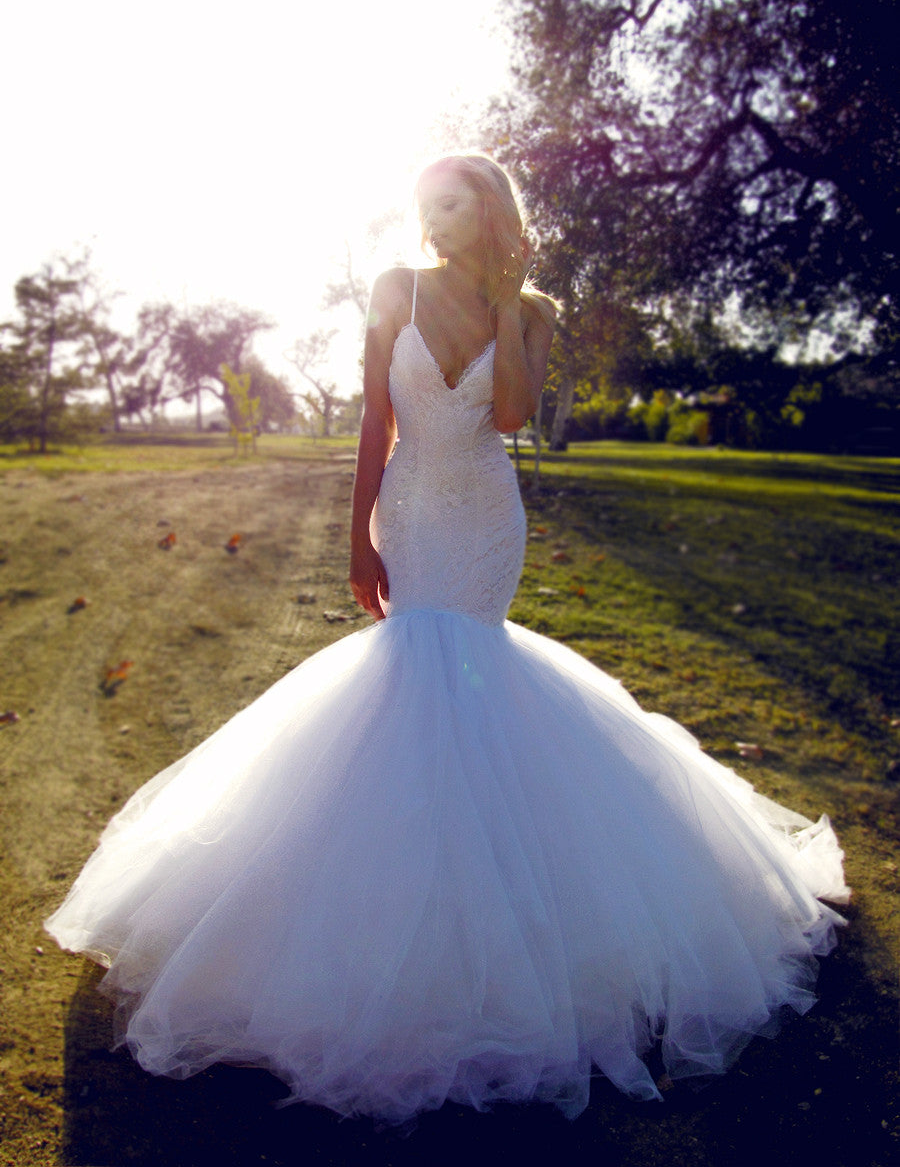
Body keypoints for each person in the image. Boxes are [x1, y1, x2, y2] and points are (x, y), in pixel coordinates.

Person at [45, 154, 849, 1125]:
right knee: (406, 679)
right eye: (427, 199)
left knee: (474, 675)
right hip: (413, 505)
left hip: (485, 515)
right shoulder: (394, 288)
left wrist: (510, 306)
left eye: (454, 197)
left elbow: (509, 415)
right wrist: (358, 540)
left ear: (492, 208)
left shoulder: (537, 309)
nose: (434, 211)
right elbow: (376, 422)